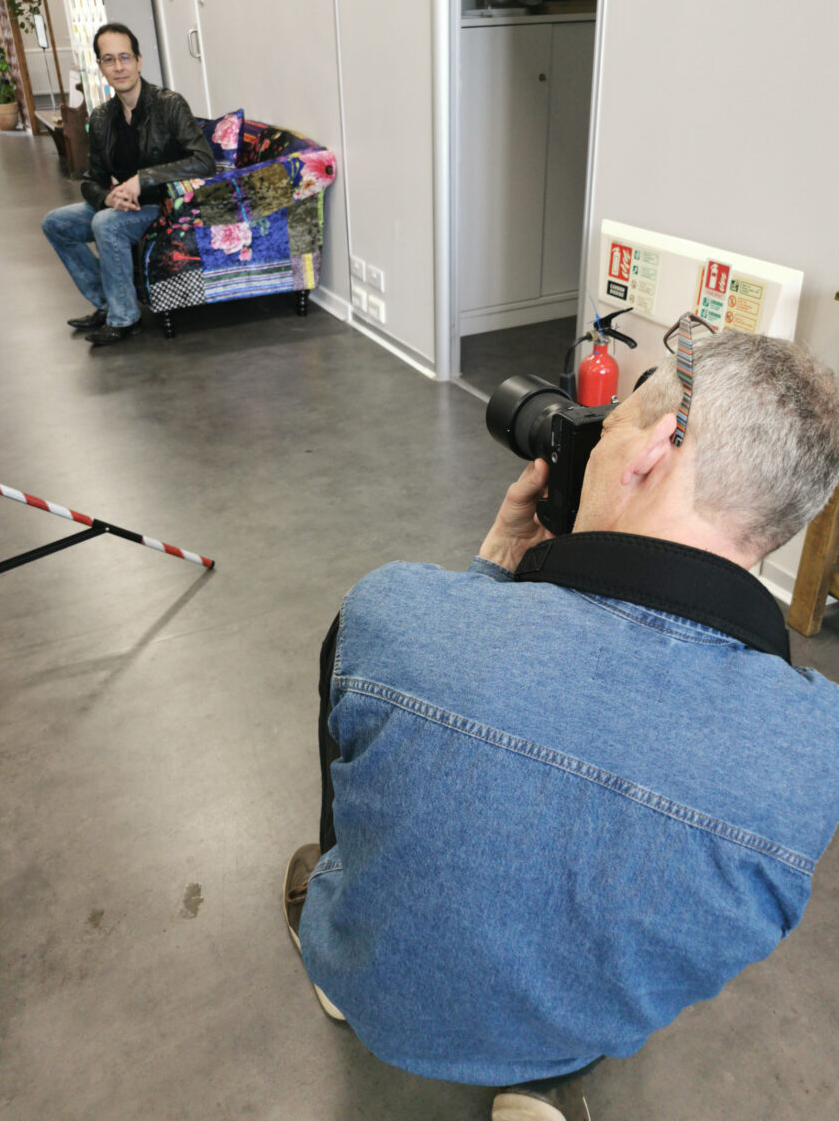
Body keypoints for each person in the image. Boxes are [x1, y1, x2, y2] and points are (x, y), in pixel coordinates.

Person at [283, 327, 839, 1121]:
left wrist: (490, 575)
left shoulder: (394, 612)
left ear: (649, 455)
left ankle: (341, 981)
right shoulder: (817, 751)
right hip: (580, 1035)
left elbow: (358, 807)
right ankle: (533, 1084)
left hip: (377, 997)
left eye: (603, 429)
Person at [42, 23, 215, 347]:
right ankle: (108, 303)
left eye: (124, 57)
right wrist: (108, 198)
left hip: (165, 205)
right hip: (123, 206)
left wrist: (141, 179)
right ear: (100, 67)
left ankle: (125, 319)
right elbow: (91, 179)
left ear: (139, 60)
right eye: (109, 59)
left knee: (107, 225)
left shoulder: (169, 104)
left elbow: (204, 161)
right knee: (56, 223)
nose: (118, 67)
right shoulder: (103, 118)